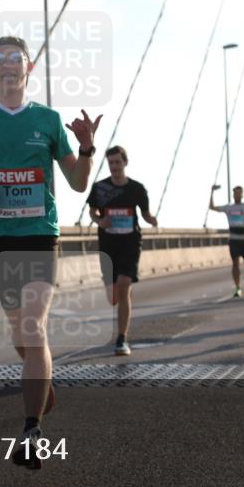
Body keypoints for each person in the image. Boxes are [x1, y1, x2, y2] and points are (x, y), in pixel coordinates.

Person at [0, 35, 101, 469]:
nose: (9, 65)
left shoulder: (48, 120)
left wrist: (85, 148)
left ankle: (31, 430)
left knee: (34, 326)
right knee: (20, 335)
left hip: (40, 235)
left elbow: (79, 183)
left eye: (17, 59)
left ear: (29, 69)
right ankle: (41, 385)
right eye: (0, 59)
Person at [88, 146, 158, 356]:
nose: (114, 167)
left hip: (130, 243)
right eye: (111, 163)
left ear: (125, 163)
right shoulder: (100, 188)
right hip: (108, 244)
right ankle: (118, 299)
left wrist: (152, 220)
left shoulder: (137, 188)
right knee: (113, 297)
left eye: (118, 162)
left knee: (124, 284)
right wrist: (100, 220)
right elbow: (92, 211)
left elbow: (145, 214)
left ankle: (121, 339)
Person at [208, 184, 244, 298]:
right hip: (234, 240)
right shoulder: (229, 208)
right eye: (236, 192)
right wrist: (212, 192)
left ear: (242, 194)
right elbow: (212, 207)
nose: (237, 194)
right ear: (233, 194)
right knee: (235, 263)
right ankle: (238, 288)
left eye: (240, 193)